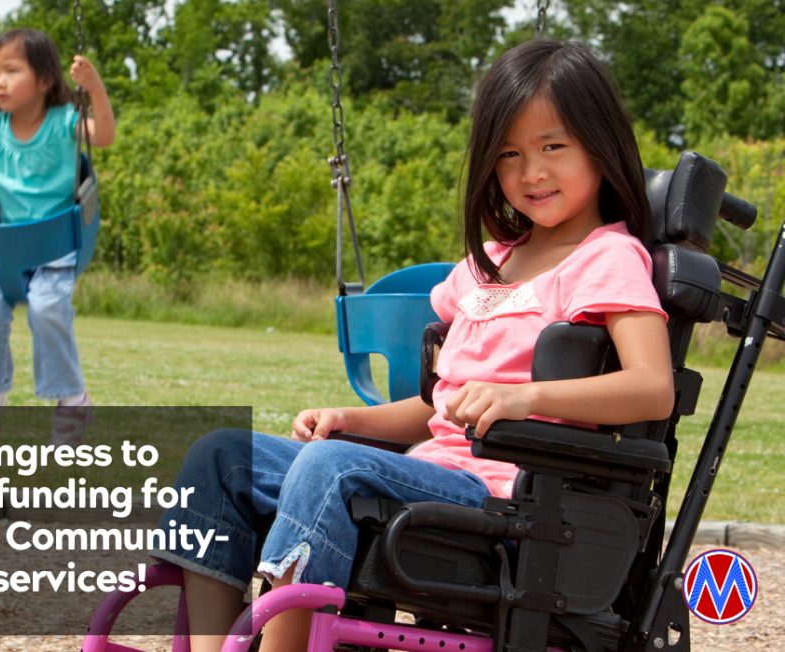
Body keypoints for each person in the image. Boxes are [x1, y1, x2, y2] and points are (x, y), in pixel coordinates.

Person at [152, 38, 677, 652]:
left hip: (506, 499)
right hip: (430, 471)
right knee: (222, 455)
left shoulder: (606, 258)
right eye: (509, 154)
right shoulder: (488, 267)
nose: (531, 173)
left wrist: (522, 397)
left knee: (330, 467)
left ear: (599, 143)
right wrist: (353, 419)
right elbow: (438, 408)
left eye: (552, 147)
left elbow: (653, 388)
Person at [0, 28, 115, 444]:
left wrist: (95, 88)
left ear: (46, 80)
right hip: (4, 250)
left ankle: (72, 401)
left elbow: (104, 135)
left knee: (47, 307)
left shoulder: (64, 122)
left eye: (11, 70)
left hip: (56, 249)